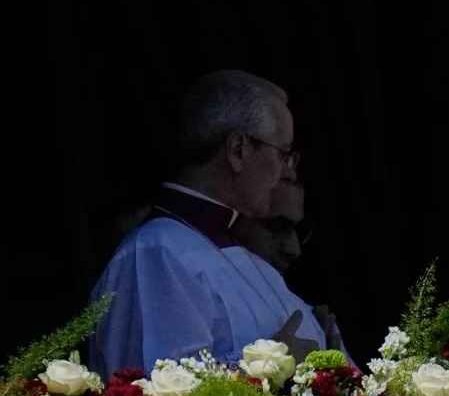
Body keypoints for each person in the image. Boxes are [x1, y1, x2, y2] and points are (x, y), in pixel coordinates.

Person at [91, 71, 333, 375]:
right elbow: (156, 384)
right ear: (238, 150)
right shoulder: (156, 252)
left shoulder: (251, 261)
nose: (289, 172)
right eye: (283, 154)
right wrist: (277, 370)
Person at [232, 178, 347, 354]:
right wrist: (270, 362)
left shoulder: (314, 318)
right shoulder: (197, 283)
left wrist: (334, 367)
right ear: (234, 219)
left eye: (301, 232)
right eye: (277, 226)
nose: (294, 250)